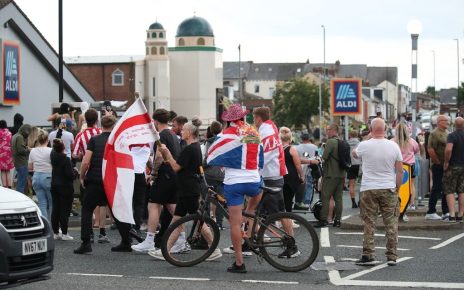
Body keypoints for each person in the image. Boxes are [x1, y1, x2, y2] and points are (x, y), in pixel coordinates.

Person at [150, 117, 222, 261]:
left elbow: (176, 167)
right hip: (187, 188)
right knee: (176, 221)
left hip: (189, 189)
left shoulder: (189, 149)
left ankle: (214, 248)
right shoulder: (194, 147)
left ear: (189, 132)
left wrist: (167, 154)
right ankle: (165, 250)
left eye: (183, 130)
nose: (181, 131)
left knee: (197, 220)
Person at [209, 104, 263, 273]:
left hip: (234, 183)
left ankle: (239, 262)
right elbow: (260, 156)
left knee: (234, 222)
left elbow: (212, 155)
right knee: (251, 209)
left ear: (228, 120)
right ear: (243, 117)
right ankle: (250, 227)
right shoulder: (253, 132)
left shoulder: (227, 135)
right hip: (254, 180)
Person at [353, 118, 403, 266]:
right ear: (386, 129)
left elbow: (355, 154)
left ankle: (368, 254)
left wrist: (368, 139)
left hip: (369, 188)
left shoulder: (364, 145)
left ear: (370, 129)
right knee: (391, 223)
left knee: (369, 222)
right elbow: (400, 171)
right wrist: (397, 188)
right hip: (388, 187)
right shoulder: (394, 146)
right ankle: (392, 256)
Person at [131, 109, 180, 253]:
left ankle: (150, 240)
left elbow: (159, 156)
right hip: (173, 175)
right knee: (173, 210)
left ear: (156, 121)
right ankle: (181, 239)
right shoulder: (172, 134)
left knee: (153, 205)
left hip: (164, 175)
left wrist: (153, 172)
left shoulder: (162, 136)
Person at [74, 115, 119, 254]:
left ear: (102, 124)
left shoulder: (94, 140)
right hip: (111, 180)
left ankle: (86, 242)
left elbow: (86, 161)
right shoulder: (116, 141)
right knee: (116, 209)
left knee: (87, 209)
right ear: (113, 125)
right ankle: (126, 240)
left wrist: (82, 177)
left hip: (95, 179)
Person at [72, 108, 106, 238]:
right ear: (97, 120)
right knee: (102, 203)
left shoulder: (80, 135)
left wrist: (82, 154)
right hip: (102, 170)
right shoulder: (101, 132)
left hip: (88, 172)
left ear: (85, 120)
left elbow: (75, 154)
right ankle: (102, 232)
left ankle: (89, 233)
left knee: (87, 204)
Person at [315, 124, 346, 228]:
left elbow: (324, 157)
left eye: (328, 130)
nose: (326, 132)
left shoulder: (330, 142)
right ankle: (337, 220)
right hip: (341, 174)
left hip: (330, 174)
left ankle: (323, 220)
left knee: (325, 197)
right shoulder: (342, 142)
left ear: (333, 130)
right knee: (338, 198)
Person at [425, 115, 450, 220]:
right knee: (437, 187)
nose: (447, 122)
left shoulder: (448, 133)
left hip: (447, 165)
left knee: (446, 188)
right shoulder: (434, 134)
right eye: (445, 121)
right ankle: (431, 211)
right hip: (438, 165)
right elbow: (430, 149)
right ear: (439, 122)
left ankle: (445, 211)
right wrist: (437, 162)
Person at [392, 123, 419, 215]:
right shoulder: (412, 141)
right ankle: (411, 204)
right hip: (410, 166)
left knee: (396, 185)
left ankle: (396, 204)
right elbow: (416, 150)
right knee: (411, 185)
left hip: (396, 166)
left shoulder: (392, 141)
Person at [50, 138, 75, 240]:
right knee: (64, 211)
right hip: (65, 186)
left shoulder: (53, 156)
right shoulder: (66, 159)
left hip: (54, 185)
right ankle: (65, 233)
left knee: (55, 209)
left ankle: (55, 232)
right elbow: (69, 175)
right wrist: (75, 173)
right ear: (63, 148)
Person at [202, 121, 225, 229]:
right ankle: (219, 223)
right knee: (220, 200)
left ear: (211, 131)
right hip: (222, 174)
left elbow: (208, 158)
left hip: (209, 174)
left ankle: (206, 222)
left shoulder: (209, 142)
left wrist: (202, 166)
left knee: (206, 199)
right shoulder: (226, 140)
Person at [443, 117, 464, 222]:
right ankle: (460, 215)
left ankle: (451, 215)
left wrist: (446, 162)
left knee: (449, 190)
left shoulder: (452, 135)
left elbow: (449, 149)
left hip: (453, 166)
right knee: (462, 190)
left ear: (454, 124)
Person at [28, 130, 53, 218]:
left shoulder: (33, 151)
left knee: (42, 203)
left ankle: (45, 225)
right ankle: (52, 227)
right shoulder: (51, 151)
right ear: (47, 140)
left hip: (36, 177)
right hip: (48, 177)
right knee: (51, 203)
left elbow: (30, 167)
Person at [279, 127, 304, 213]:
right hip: (290, 177)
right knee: (288, 200)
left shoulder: (277, 149)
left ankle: (279, 218)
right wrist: (302, 175)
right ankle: (289, 220)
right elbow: (297, 164)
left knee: (281, 199)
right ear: (290, 139)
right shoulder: (292, 149)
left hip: (279, 176)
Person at [295, 133, 318, 208]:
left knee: (300, 186)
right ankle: (307, 202)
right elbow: (317, 157)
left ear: (301, 139)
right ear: (309, 138)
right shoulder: (314, 147)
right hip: (311, 167)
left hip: (300, 168)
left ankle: (299, 202)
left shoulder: (297, 147)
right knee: (309, 185)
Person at [11, 124, 32, 194]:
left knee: (19, 183)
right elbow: (21, 150)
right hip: (22, 163)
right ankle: (20, 200)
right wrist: (29, 150)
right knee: (21, 185)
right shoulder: (20, 137)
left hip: (17, 162)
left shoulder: (14, 136)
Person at [347, 130, 361, 208]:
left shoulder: (347, 144)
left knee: (352, 184)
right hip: (359, 165)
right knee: (362, 184)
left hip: (350, 165)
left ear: (350, 135)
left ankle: (353, 202)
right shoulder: (360, 144)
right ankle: (360, 201)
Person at [0, 120, 14, 188]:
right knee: (8, 171)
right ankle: (10, 186)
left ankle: (4, 187)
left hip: (1, 154)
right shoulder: (9, 133)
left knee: (2, 171)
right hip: (8, 153)